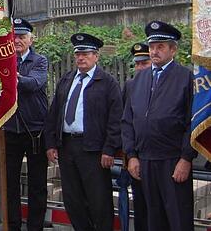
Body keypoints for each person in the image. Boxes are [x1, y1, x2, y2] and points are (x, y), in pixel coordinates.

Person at [122, 21, 196, 231]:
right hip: (144, 161)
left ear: (173, 49)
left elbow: (193, 121)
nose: (154, 51)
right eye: (152, 46)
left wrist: (185, 158)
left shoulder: (186, 78)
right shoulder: (137, 81)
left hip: (172, 160)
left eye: (160, 46)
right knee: (151, 220)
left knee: (177, 218)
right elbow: (127, 121)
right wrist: (132, 156)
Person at [44, 33, 122, 231]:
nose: (81, 58)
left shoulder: (107, 83)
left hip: (93, 150)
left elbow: (115, 120)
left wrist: (109, 149)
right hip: (67, 146)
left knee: (98, 199)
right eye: (78, 54)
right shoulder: (67, 80)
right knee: (73, 199)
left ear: (96, 56)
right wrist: (51, 143)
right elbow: (54, 113)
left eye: (86, 53)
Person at [5, 18, 49, 231]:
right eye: (14, 36)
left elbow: (34, 83)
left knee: (37, 184)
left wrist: (12, 77)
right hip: (11, 129)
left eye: (22, 36)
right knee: (10, 182)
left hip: (35, 130)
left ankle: (35, 227)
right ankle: (13, 224)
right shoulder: (5, 59)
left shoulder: (40, 61)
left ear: (31, 39)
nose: (17, 40)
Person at [120, 42, 151, 231]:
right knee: (140, 207)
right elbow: (125, 120)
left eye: (144, 63)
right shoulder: (131, 85)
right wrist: (130, 155)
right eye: (137, 64)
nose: (139, 68)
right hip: (136, 156)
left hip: (161, 157)